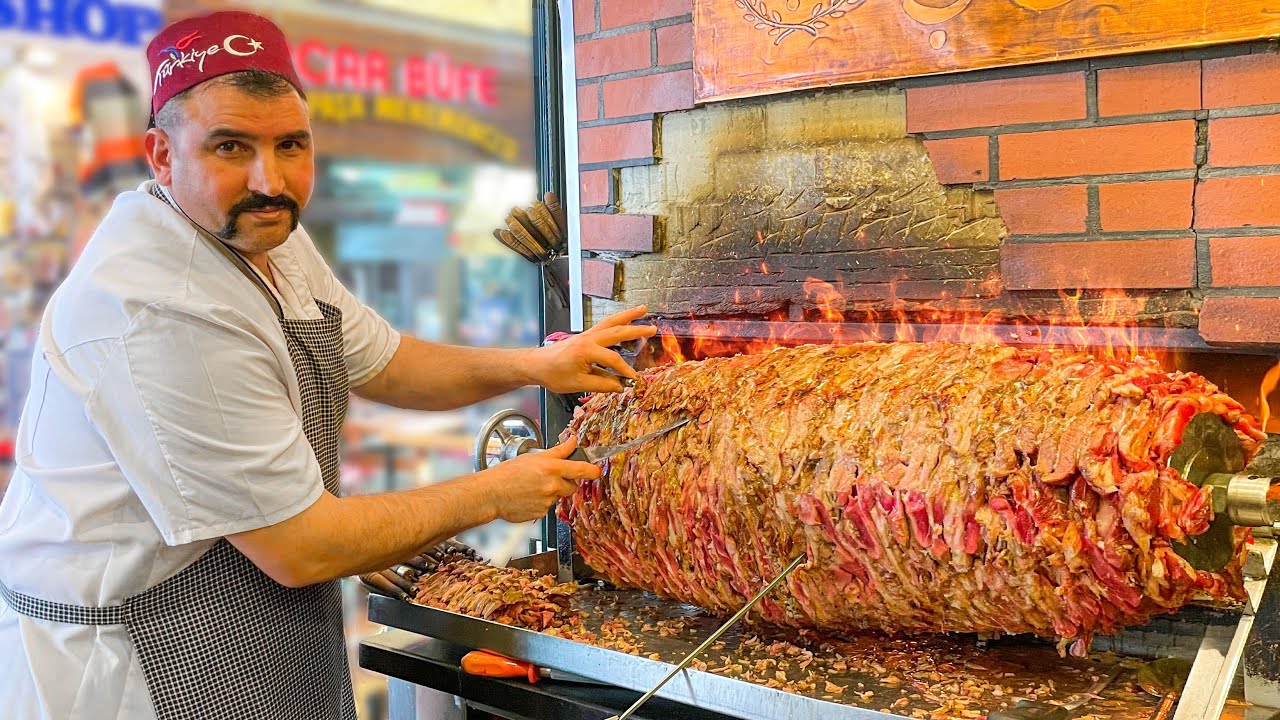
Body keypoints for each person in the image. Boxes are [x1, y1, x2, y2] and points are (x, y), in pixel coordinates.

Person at [0, 11, 653, 720]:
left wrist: (538, 365)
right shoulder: (160, 306)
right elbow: (301, 547)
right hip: (131, 661)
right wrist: (494, 493)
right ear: (162, 154)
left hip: (244, 607)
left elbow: (388, 362)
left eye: (290, 145)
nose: (269, 180)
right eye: (230, 146)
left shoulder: (262, 233)